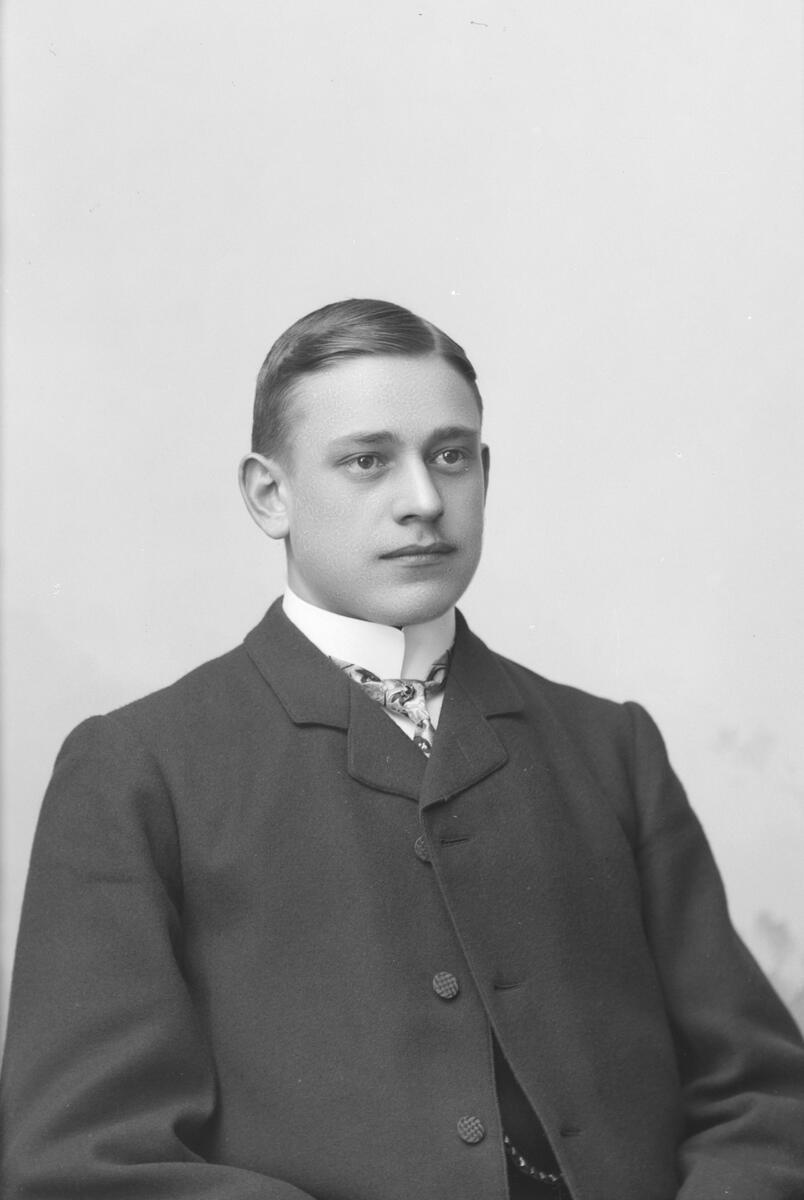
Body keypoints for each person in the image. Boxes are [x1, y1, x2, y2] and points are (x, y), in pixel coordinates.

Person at [2, 299, 803, 1200]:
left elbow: (763, 1096)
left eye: (451, 456)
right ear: (270, 495)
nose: (424, 500)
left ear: (485, 474)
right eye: (367, 461)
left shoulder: (610, 747)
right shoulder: (140, 769)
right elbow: (87, 1161)